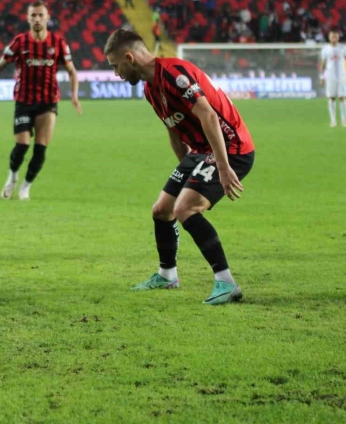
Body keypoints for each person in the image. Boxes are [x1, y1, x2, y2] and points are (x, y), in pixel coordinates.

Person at [104, 29, 256, 305]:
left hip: (230, 147)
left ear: (129, 57)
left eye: (116, 66)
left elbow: (208, 115)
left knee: (185, 208)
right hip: (200, 152)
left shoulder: (175, 74)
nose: (117, 74)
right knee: (162, 210)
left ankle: (227, 282)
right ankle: (167, 275)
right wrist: (186, 169)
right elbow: (173, 128)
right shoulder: (151, 89)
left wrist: (222, 168)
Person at [0, 0, 82, 200]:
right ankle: (12, 177)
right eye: (33, 15)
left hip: (48, 102)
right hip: (24, 101)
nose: (37, 19)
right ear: (28, 18)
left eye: (41, 15)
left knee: (40, 149)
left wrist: (74, 96)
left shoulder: (58, 43)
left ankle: (26, 187)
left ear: (48, 18)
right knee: (22, 145)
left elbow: (72, 72)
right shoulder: (20, 42)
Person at [320, 30, 346, 127]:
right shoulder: (325, 49)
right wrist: (322, 77)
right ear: (329, 37)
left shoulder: (343, 48)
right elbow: (323, 65)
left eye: (336, 36)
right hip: (330, 76)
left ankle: (344, 120)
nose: (334, 38)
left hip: (341, 76)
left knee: (342, 97)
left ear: (338, 37)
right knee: (331, 98)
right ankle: (333, 121)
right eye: (332, 36)